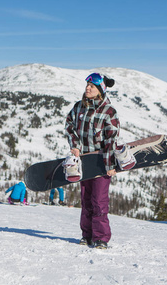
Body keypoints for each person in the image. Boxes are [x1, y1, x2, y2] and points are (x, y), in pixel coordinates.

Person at [65, 72, 119, 249]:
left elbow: (112, 139)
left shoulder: (109, 111)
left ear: (100, 90)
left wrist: (110, 165)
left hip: (101, 161)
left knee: (99, 201)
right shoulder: (79, 107)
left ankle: (101, 238)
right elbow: (69, 125)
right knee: (86, 200)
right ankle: (87, 235)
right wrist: (75, 145)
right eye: (87, 85)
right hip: (84, 161)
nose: (87, 88)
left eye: (92, 86)